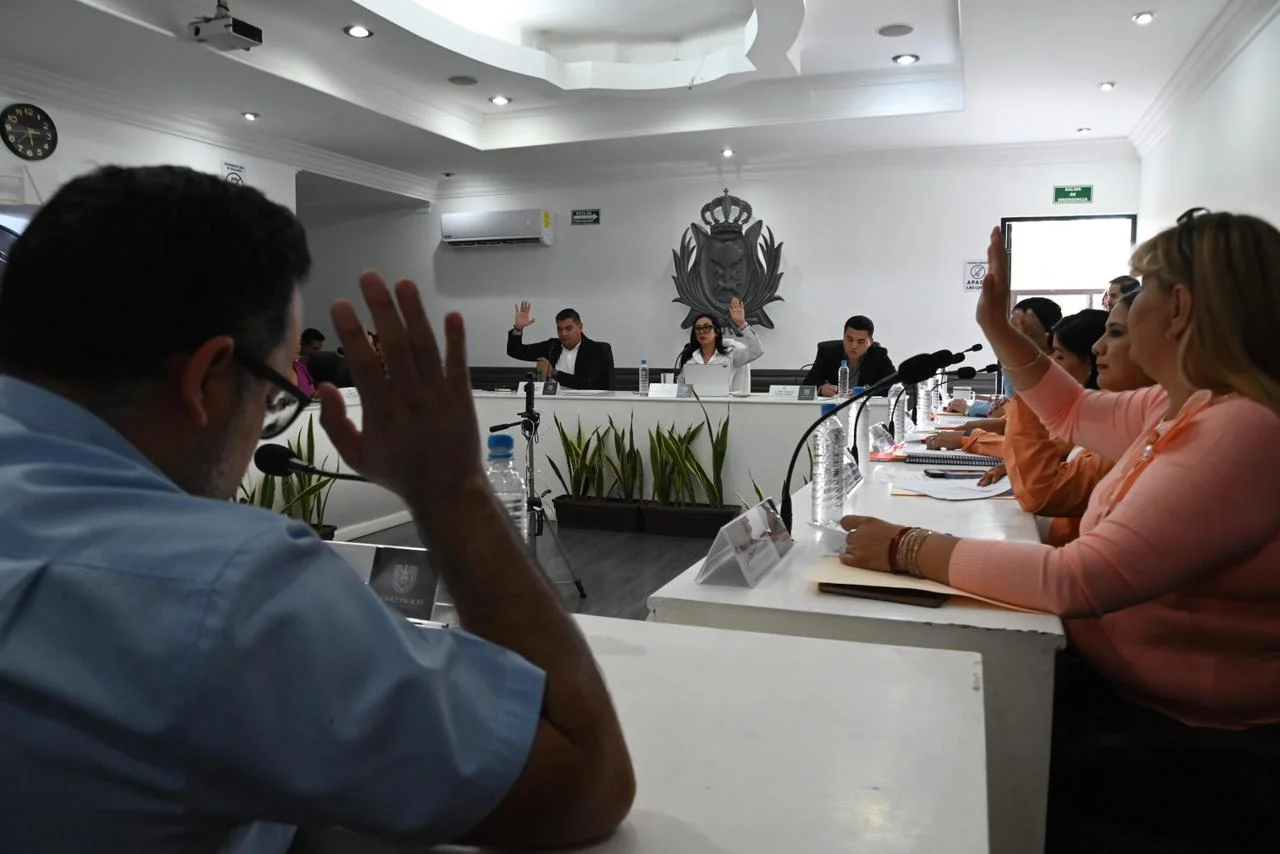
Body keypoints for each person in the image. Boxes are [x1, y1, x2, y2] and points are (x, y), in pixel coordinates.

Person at [0, 166, 634, 853]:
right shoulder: (227, 591)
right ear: (207, 379)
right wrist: (450, 485)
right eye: (276, 394)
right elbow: (584, 779)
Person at [840, 211, 1280, 843]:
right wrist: (997, 326)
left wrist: (910, 548)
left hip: (1183, 743)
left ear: (1179, 308)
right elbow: (1070, 409)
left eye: (1140, 293)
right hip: (1125, 693)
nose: (1117, 313)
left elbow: (1078, 579)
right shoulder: (1182, 403)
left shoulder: (1242, 429)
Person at [977, 296, 1154, 544]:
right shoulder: (1115, 411)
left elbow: (1041, 491)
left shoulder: (1138, 425)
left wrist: (1025, 367)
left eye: (1058, 356)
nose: (1098, 347)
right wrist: (970, 440)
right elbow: (1048, 447)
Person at [925, 309, 1108, 456]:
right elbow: (1008, 423)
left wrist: (969, 437)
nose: (1051, 361)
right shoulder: (1072, 402)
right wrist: (964, 431)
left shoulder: (1096, 415)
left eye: (1059, 355)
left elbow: (1036, 454)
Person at [507, 303, 614, 390]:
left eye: (568, 328)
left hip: (586, 404)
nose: (563, 333)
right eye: (559, 329)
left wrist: (554, 373)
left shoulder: (596, 350)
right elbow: (515, 351)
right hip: (553, 403)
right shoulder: (552, 346)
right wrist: (518, 329)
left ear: (580, 327)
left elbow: (587, 383)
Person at [675, 298, 764, 395]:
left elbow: (757, 351)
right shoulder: (690, 360)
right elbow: (680, 389)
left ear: (716, 332)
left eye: (707, 327)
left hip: (723, 403)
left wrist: (742, 324)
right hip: (695, 404)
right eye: (698, 328)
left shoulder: (730, 355)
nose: (702, 331)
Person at [801, 315, 896, 396]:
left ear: (870, 342)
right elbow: (807, 385)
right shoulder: (828, 352)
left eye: (860, 342)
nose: (853, 346)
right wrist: (821, 389)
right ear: (843, 337)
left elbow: (895, 385)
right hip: (834, 406)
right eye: (849, 339)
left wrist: (866, 391)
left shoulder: (879, 355)